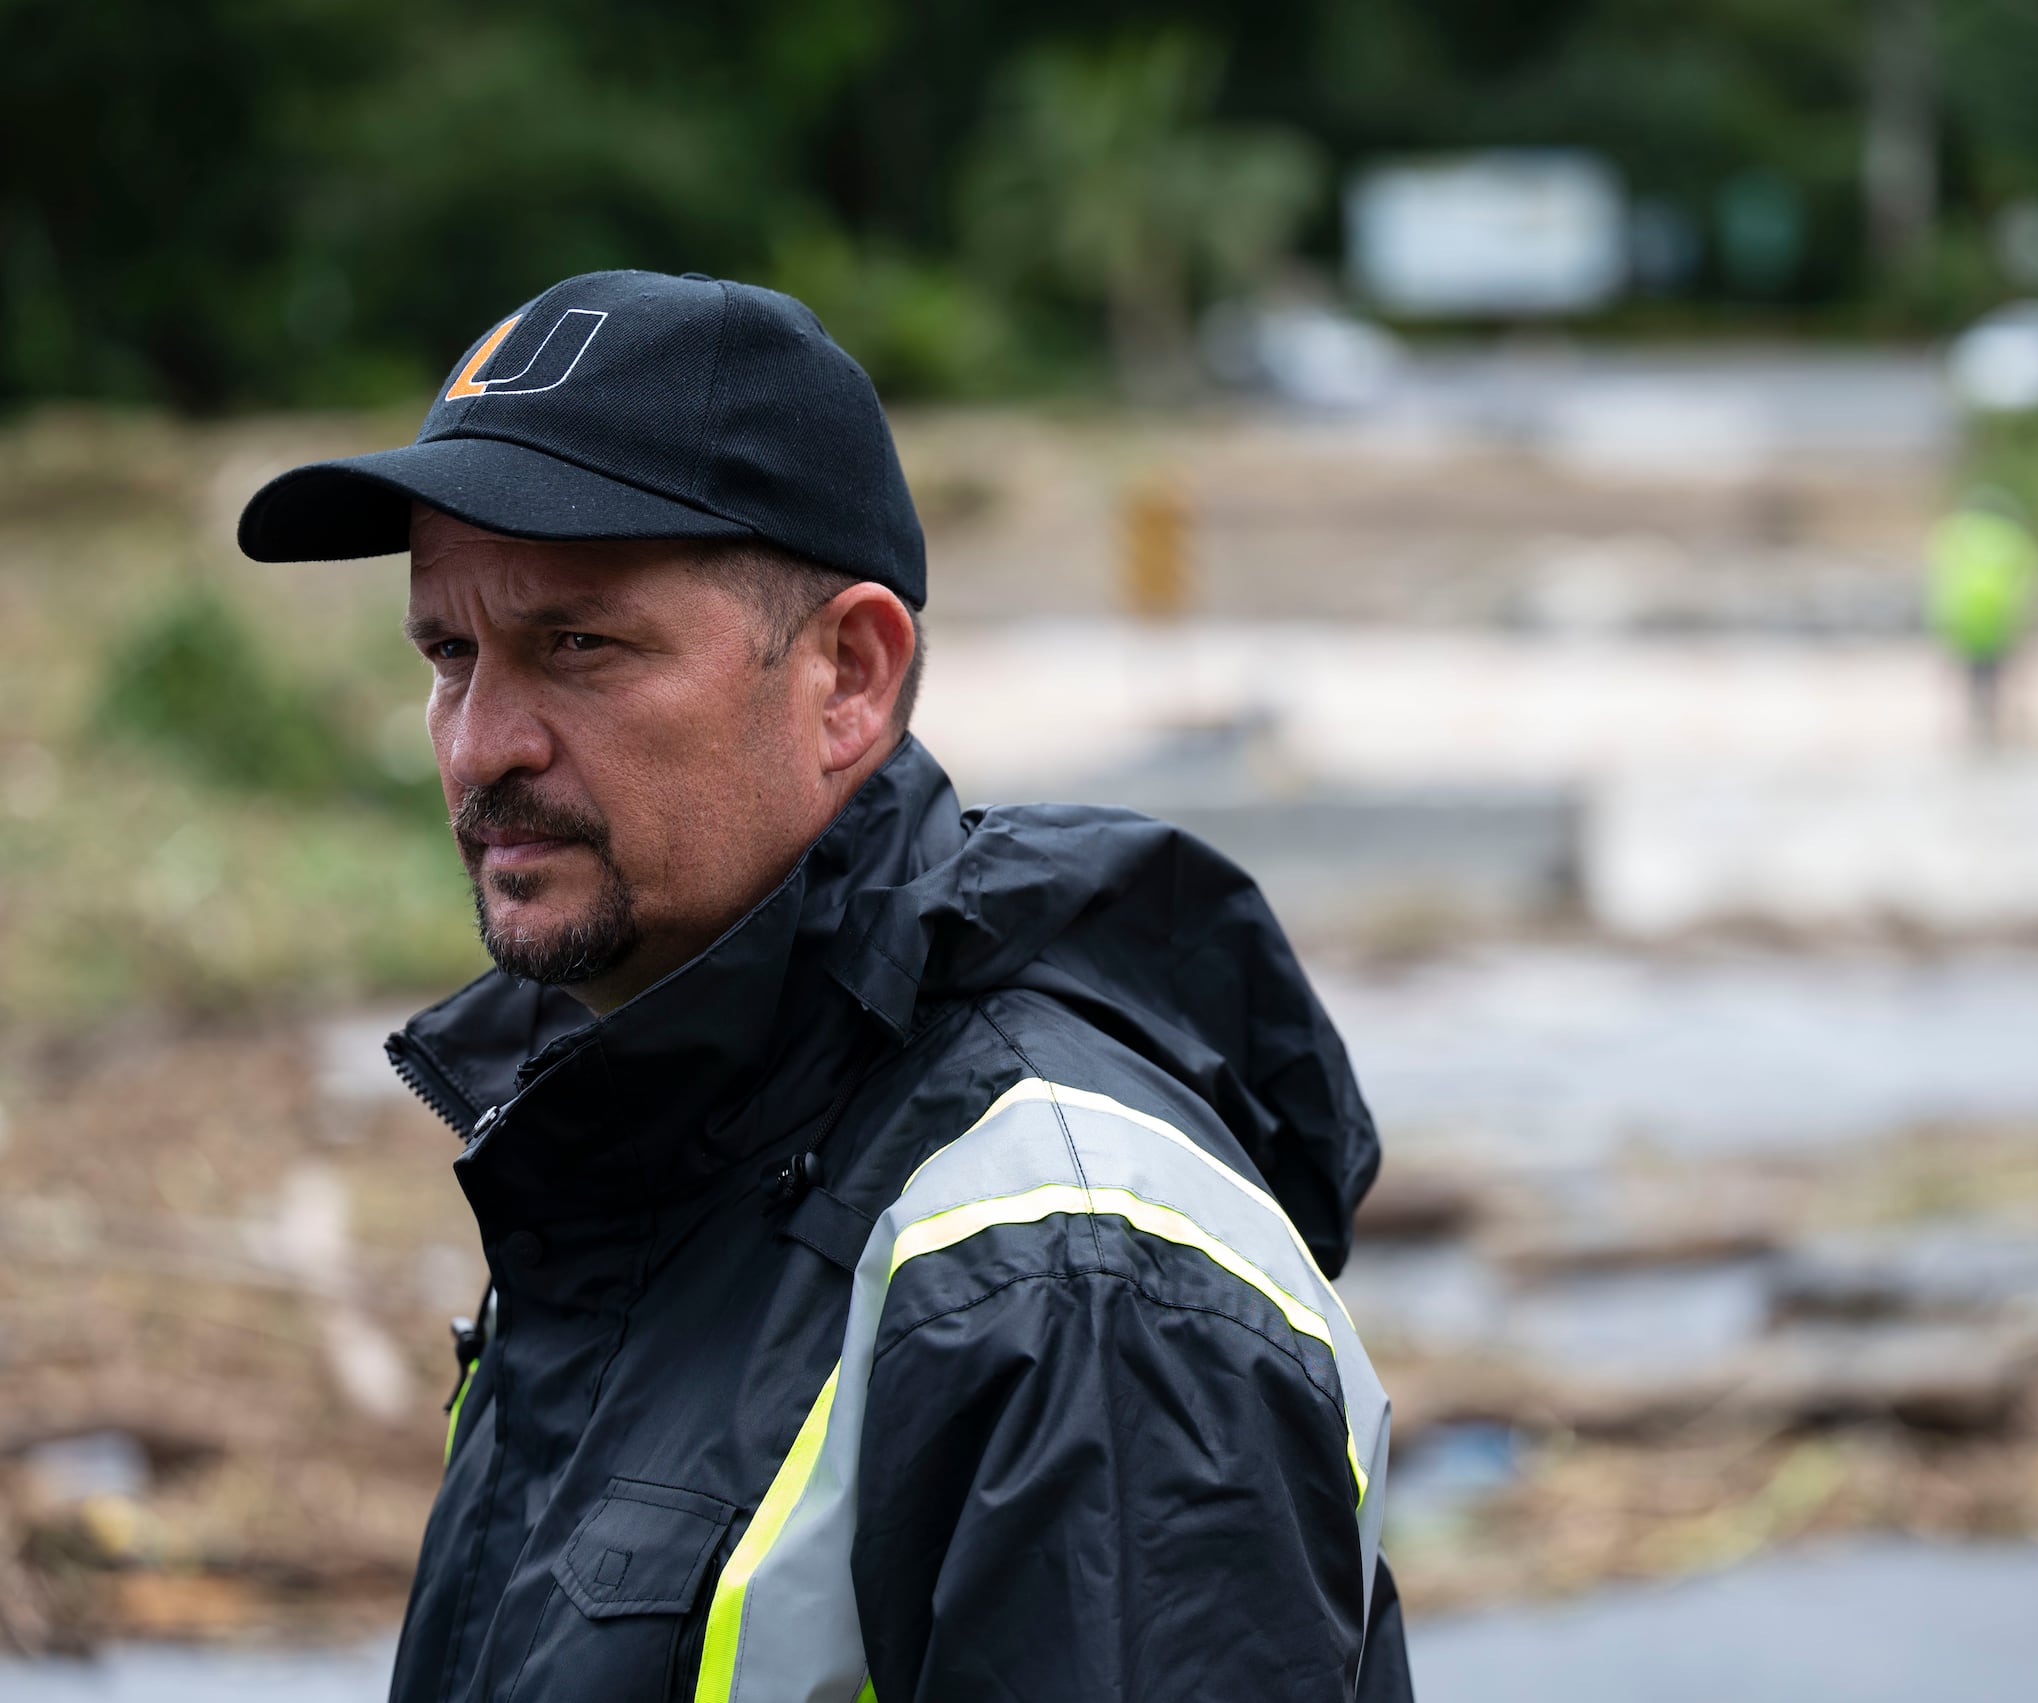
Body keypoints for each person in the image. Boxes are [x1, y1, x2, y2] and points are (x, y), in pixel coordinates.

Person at [236, 269, 1406, 1703]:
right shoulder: (641, 1140)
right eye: (448, 651)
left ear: (849, 675)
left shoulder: (1070, 1279)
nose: (482, 745)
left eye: (577, 644)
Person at [1924, 489, 2038, 748]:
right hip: (2002, 615)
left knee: (1971, 670)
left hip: (1966, 615)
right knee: (1996, 671)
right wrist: (2026, 618)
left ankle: (1975, 720)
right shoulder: (2015, 536)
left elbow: (1942, 576)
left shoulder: (1955, 532)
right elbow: (2029, 580)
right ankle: (1992, 720)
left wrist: (1941, 618)